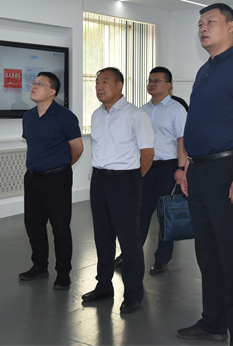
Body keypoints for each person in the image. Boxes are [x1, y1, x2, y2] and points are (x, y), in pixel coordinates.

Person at [177, 3, 233, 344]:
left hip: (230, 169)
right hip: (199, 171)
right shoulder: (205, 70)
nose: (203, 28)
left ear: (231, 26)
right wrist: (187, 166)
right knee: (208, 253)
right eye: (200, 23)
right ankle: (213, 322)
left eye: (210, 22)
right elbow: (197, 122)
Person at [82, 67, 154, 314]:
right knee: (102, 237)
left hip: (125, 180)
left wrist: (132, 181)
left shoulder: (136, 115)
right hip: (99, 180)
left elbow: (147, 154)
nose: (99, 86)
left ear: (119, 85)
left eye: (105, 81)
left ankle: (133, 293)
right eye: (97, 82)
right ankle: (104, 286)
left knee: (129, 239)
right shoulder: (96, 114)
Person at [113, 67, 188, 274]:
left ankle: (162, 258)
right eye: (150, 80)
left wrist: (181, 168)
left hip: (168, 168)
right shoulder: (141, 111)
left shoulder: (177, 109)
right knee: (139, 214)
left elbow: (183, 140)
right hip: (144, 167)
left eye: (157, 80)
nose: (152, 84)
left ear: (169, 85)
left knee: (166, 215)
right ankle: (129, 254)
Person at [19, 72, 83, 290]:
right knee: (34, 225)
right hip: (33, 178)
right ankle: (39, 266)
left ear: (52, 92)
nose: (34, 86)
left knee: (60, 227)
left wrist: (61, 166)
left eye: (40, 83)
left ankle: (63, 272)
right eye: (33, 82)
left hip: (57, 179)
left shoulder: (65, 116)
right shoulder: (28, 116)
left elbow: (77, 148)